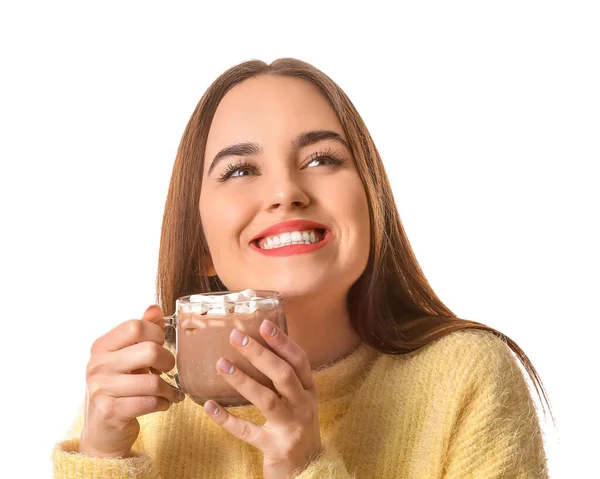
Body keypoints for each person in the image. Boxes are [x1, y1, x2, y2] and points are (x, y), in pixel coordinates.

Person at [52, 58, 552, 478]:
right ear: (201, 243)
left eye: (320, 159)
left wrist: (302, 464)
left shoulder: (467, 378)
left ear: (370, 205)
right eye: (241, 170)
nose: (285, 191)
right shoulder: (145, 403)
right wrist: (101, 457)